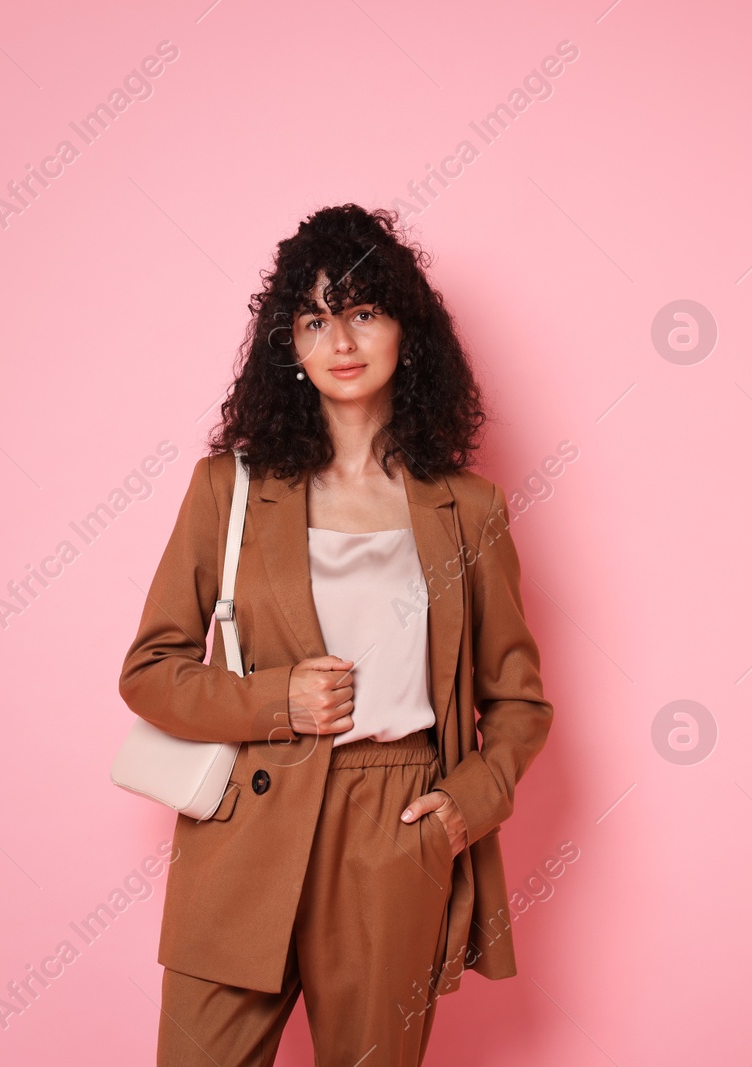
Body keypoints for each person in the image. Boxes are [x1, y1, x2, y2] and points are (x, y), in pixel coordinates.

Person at [118, 203, 553, 1066]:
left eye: (362, 311)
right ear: (291, 344)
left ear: (405, 329)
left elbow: (518, 700)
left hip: (394, 825)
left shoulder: (469, 509)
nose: (341, 341)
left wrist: (465, 805)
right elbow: (149, 671)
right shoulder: (226, 490)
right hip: (249, 816)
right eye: (315, 319)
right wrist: (277, 696)